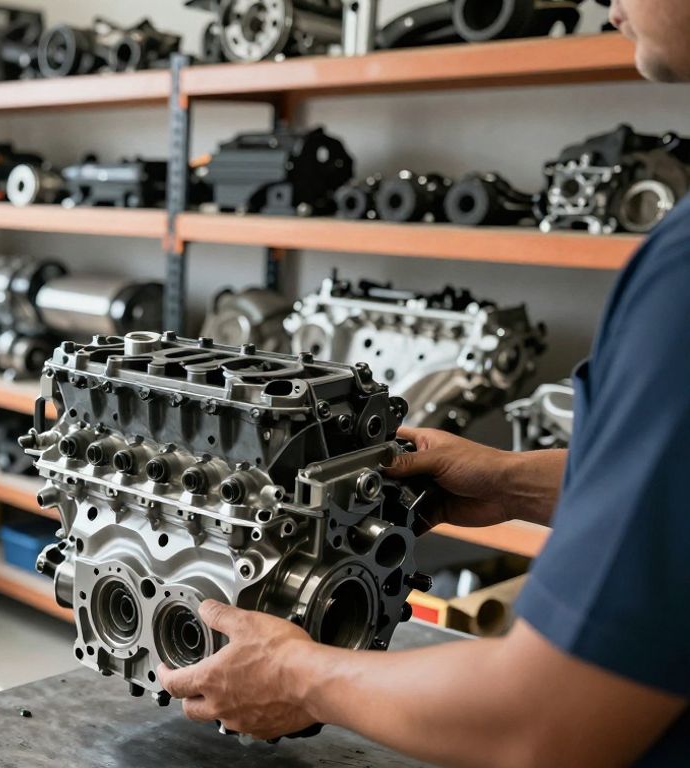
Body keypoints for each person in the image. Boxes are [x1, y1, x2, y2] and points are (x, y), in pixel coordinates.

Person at [156, 1, 690, 765]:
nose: (610, 3)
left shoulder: (683, 278)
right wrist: (509, 482)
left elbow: (542, 721)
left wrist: (300, 676)